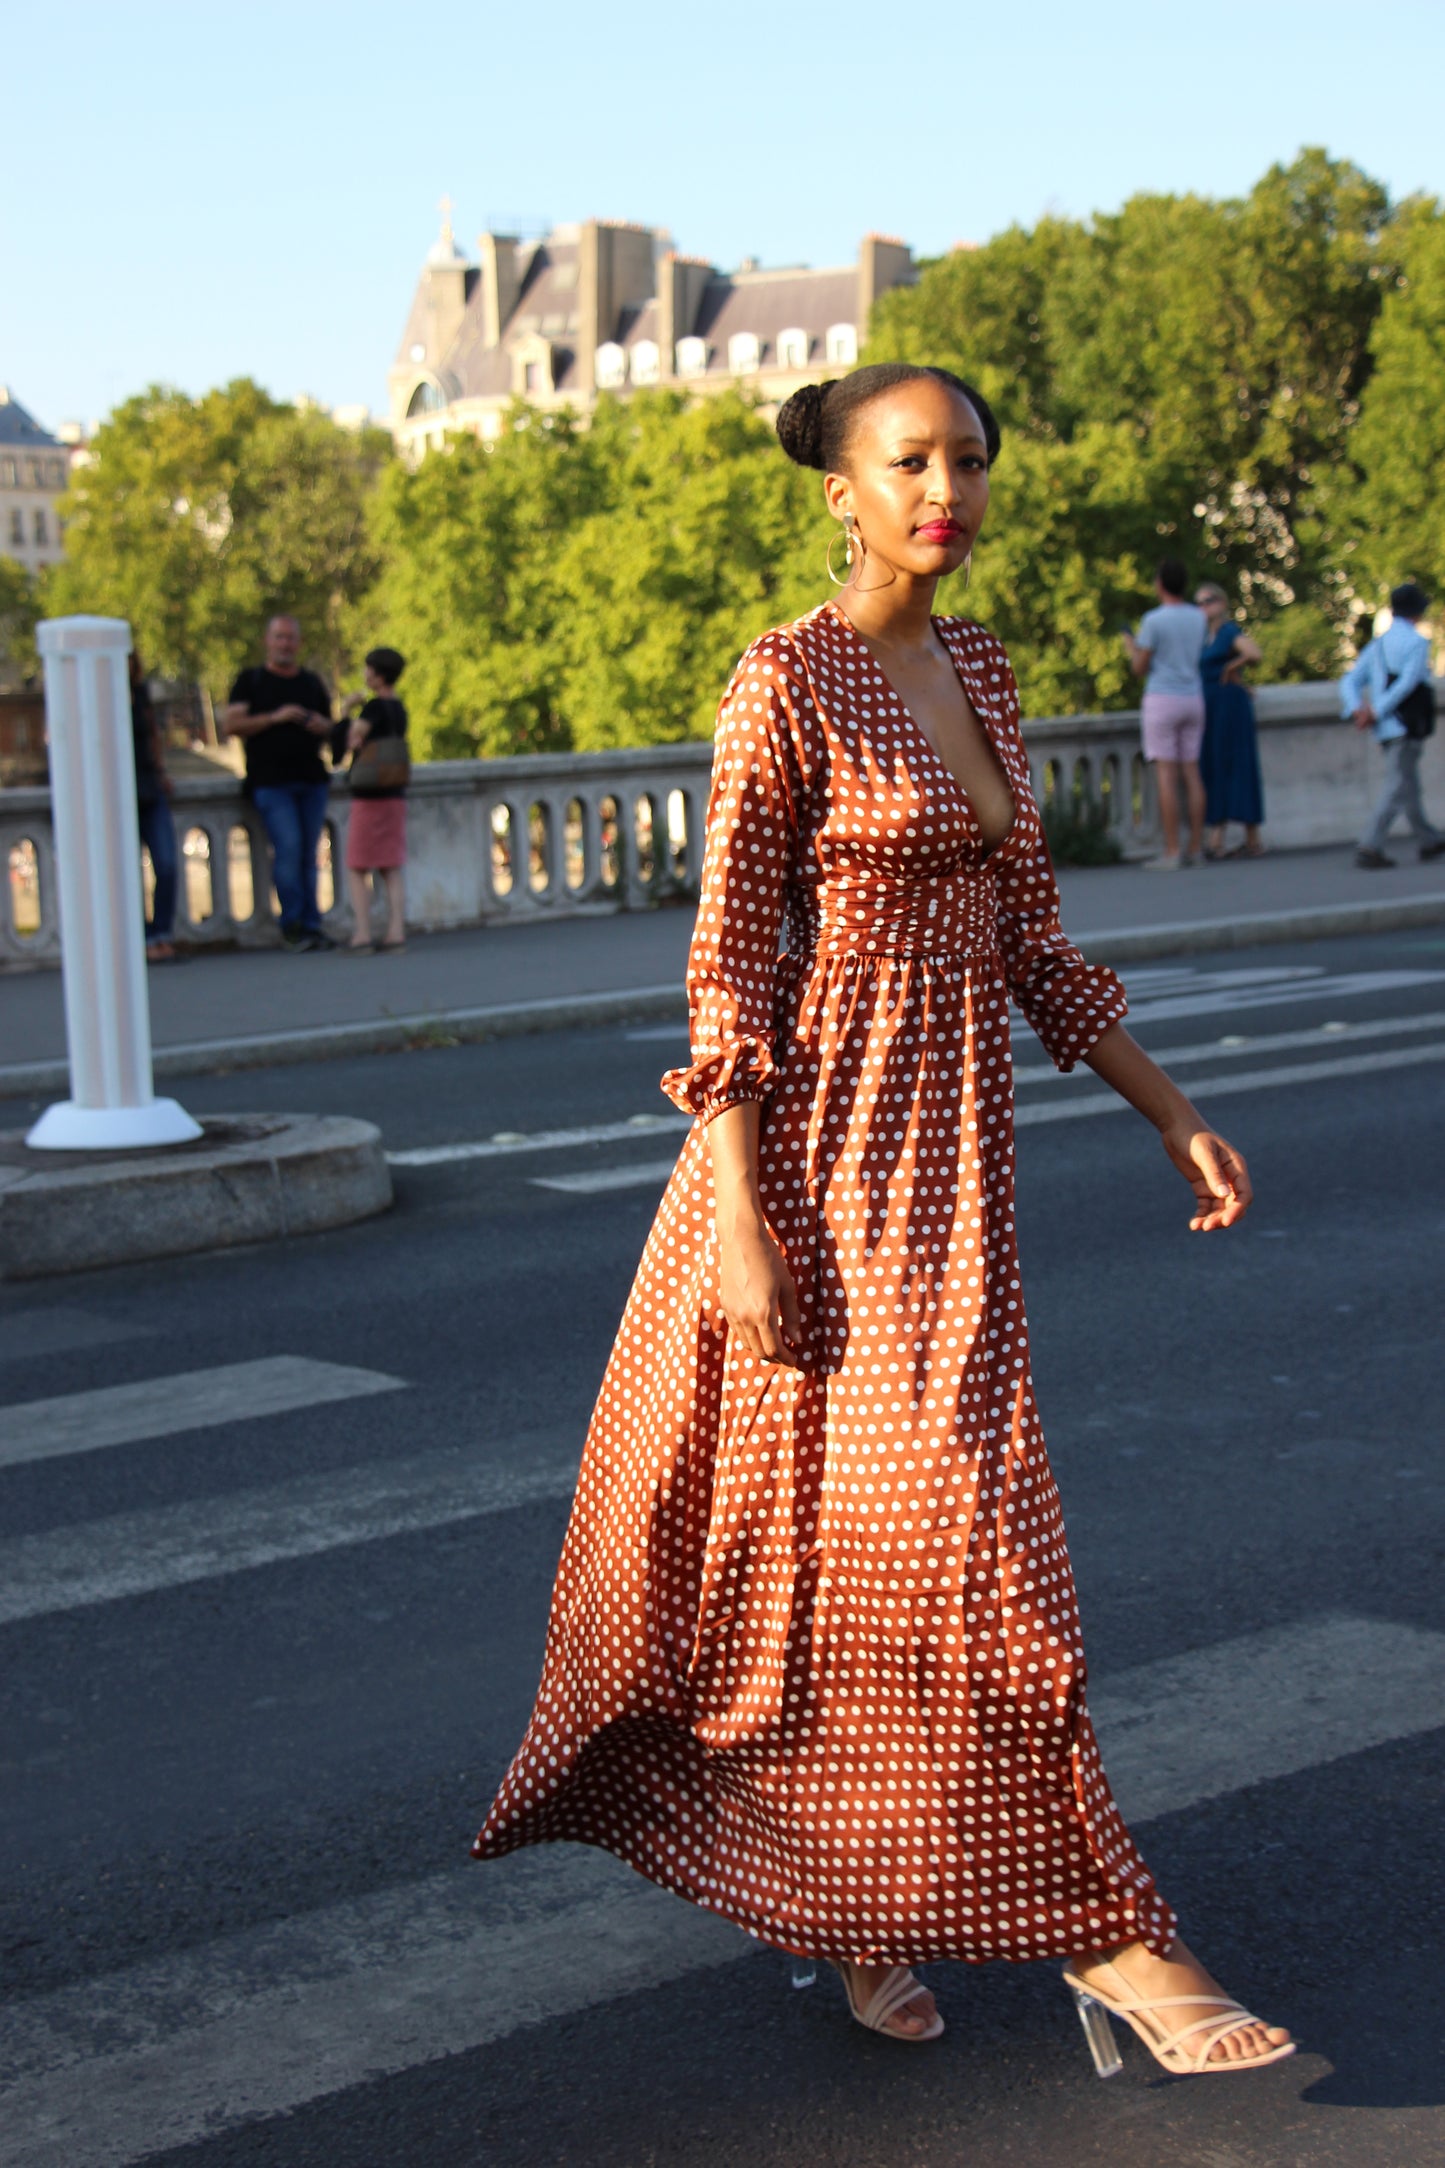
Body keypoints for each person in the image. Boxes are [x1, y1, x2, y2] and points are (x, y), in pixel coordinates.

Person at [475, 363, 1293, 2077]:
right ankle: (1114, 1937)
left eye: (973, 459)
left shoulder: (983, 670)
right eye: (910, 461)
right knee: (968, 1548)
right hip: (819, 1165)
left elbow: (1033, 949)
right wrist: (739, 1225)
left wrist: (1173, 1109)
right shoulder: (783, 681)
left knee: (875, 1552)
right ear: (840, 490)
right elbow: (729, 975)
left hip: (957, 1174)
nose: (950, 488)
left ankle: (853, 1906)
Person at [221, 615, 337, 950]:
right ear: (267, 641)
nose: (285, 644)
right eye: (279, 638)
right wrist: (276, 717)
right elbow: (231, 723)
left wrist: (321, 725)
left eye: (290, 638)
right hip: (271, 781)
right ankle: (293, 925)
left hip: (311, 778)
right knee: (288, 849)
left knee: (308, 855)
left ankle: (312, 925)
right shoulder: (251, 681)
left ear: (298, 643)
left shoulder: (311, 683)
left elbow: (332, 727)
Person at [1340, 582, 1444, 869]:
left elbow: (1349, 680)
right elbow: (1408, 683)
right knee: (1398, 786)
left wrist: (1357, 708)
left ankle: (1429, 839)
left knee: (1408, 784)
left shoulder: (1377, 645)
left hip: (1384, 727)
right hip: (1405, 723)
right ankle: (1370, 845)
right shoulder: (1417, 643)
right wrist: (1375, 710)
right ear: (1417, 612)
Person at [1123, 562, 1208, 869]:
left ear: (1160, 584)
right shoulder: (1198, 617)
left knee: (1167, 777)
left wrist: (1131, 648)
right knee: (1192, 773)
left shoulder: (1154, 620)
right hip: (1193, 697)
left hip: (1163, 698)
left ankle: (1172, 851)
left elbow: (1140, 668)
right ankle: (1196, 847)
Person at [340, 647, 409, 953]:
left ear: (378, 674)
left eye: (369, 670)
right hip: (394, 793)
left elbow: (351, 740)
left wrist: (346, 711)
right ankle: (396, 930)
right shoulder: (399, 709)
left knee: (358, 865)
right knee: (390, 865)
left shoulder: (374, 709)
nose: (365, 675)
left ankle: (363, 933)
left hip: (369, 795)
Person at [1195, 583, 1265, 859]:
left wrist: (1230, 668)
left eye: (1209, 601)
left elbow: (1254, 654)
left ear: (1222, 604)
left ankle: (1250, 837)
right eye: (1199, 602)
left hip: (1230, 706)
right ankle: (1219, 836)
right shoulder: (1203, 638)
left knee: (1238, 764)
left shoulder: (1228, 632)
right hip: (1210, 707)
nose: (1204, 607)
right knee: (1214, 766)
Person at [130, 650, 179, 961]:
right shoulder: (97, 694)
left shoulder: (140, 693)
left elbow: (153, 736)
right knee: (126, 872)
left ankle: (161, 932)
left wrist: (161, 770)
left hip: (149, 785)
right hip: (116, 792)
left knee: (167, 863)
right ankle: (140, 936)